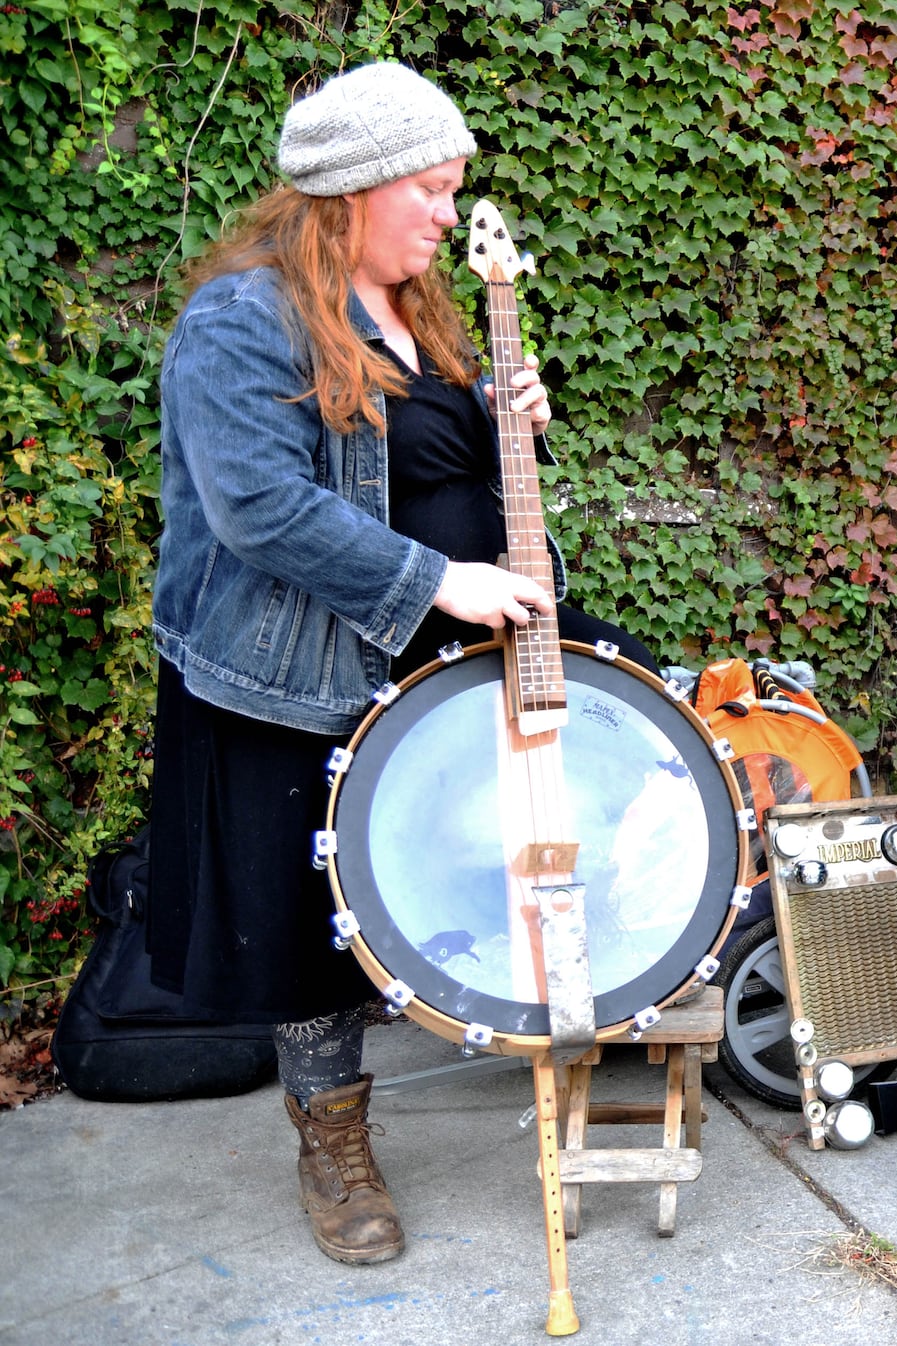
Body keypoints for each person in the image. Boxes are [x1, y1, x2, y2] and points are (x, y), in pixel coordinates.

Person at [146, 62, 655, 1265]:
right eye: (428, 189)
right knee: (301, 913)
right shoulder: (239, 321)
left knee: (639, 753)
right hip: (298, 667)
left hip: (448, 648)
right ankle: (333, 1140)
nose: (445, 212)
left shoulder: (417, 310)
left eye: (451, 189)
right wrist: (439, 581)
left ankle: (575, 1007)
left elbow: (433, 468)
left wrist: (508, 421)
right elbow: (258, 508)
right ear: (350, 193)